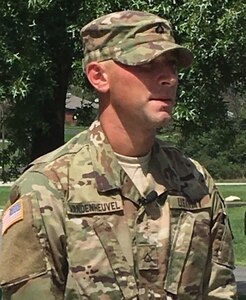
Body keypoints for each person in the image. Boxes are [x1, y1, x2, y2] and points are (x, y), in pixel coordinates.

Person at [0, 10, 238, 300]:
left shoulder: (196, 182)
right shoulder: (47, 188)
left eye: (172, 65)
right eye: (147, 64)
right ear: (99, 76)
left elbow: (220, 290)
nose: (169, 79)